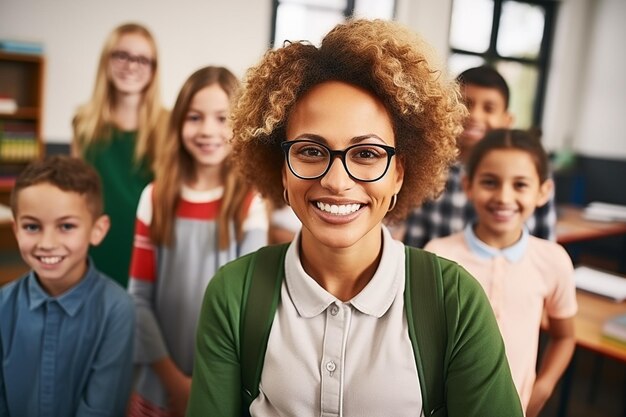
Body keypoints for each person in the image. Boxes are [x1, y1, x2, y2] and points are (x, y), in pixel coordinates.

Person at [187, 19, 523, 416]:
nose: (336, 181)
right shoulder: (234, 294)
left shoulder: (455, 302)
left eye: (366, 154)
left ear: (399, 173)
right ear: (282, 168)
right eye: (311, 151)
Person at [126, 66, 268, 416]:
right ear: (178, 124)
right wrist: (174, 381)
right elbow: (139, 301)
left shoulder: (251, 204)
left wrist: (202, 385)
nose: (208, 130)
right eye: (194, 117)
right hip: (154, 381)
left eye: (222, 118)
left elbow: (246, 310)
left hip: (221, 383)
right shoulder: (154, 197)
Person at [424, 129, 577, 417]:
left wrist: (542, 387)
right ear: (468, 185)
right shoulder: (438, 255)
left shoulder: (553, 261)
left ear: (543, 192)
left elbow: (564, 336)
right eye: (490, 182)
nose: (504, 197)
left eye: (520, 185)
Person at [0, 155, 134, 416]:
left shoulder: (117, 310)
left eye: (66, 226)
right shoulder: (3, 306)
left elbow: (101, 408)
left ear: (97, 229)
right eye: (32, 227)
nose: (47, 242)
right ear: (16, 230)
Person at [401, 65, 557, 248]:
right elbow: (414, 244)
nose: (474, 115)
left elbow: (545, 247)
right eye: (466, 104)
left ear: (507, 121)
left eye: (489, 108)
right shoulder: (429, 168)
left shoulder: (531, 170)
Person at [72, 22, 168, 287]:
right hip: (95, 245)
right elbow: (75, 194)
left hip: (146, 245)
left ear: (153, 69)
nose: (131, 65)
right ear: (107, 60)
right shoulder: (83, 123)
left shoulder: (168, 125)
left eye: (142, 59)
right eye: (121, 55)